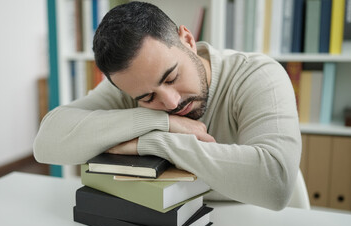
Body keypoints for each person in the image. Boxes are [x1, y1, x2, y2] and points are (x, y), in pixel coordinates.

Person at [34, 1, 301, 211]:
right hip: (178, 219)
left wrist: (151, 143)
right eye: (148, 98)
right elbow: (46, 142)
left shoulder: (258, 75)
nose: (171, 102)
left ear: (187, 40)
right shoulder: (134, 85)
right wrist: (162, 122)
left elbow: (275, 183)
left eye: (172, 77)